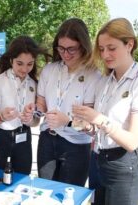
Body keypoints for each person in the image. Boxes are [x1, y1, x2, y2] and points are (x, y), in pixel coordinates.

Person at [72, 18, 138, 205]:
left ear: (130, 44)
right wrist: (86, 126)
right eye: (101, 49)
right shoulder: (104, 82)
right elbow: (100, 130)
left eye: (111, 48)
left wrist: (99, 119)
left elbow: (131, 141)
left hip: (123, 169)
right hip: (97, 162)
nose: (105, 54)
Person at [34, 18, 101, 186]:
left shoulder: (94, 76)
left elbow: (90, 126)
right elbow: (41, 104)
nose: (66, 54)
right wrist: (34, 111)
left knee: (69, 196)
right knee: (45, 192)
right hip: (47, 140)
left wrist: (68, 122)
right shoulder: (50, 70)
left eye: (72, 49)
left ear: (83, 46)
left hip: (76, 146)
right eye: (61, 48)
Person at [0, 36, 49, 174]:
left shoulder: (34, 84)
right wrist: (2, 116)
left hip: (24, 137)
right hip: (0, 138)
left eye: (30, 64)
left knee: (22, 180)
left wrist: (30, 119)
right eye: (19, 63)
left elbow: (36, 120)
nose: (24, 69)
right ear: (11, 60)